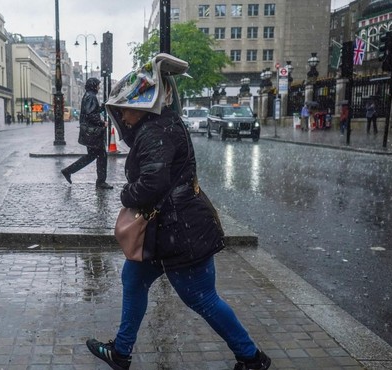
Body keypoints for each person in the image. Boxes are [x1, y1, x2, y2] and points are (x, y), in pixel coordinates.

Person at [85, 54, 271, 370]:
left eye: (126, 109)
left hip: (180, 231)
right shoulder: (159, 125)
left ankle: (252, 357)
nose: (123, 116)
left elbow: (152, 184)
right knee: (134, 279)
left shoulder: (156, 130)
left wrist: (125, 193)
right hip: (165, 230)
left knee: (201, 297)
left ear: (141, 108)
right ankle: (122, 352)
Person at [61, 77, 113, 190]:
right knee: (102, 156)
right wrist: (101, 123)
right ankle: (101, 182)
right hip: (94, 133)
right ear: (93, 85)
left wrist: (102, 107)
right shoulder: (91, 96)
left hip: (90, 133)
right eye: (98, 85)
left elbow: (92, 111)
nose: (99, 87)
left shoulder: (88, 96)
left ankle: (68, 171)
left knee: (92, 156)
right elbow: (90, 115)